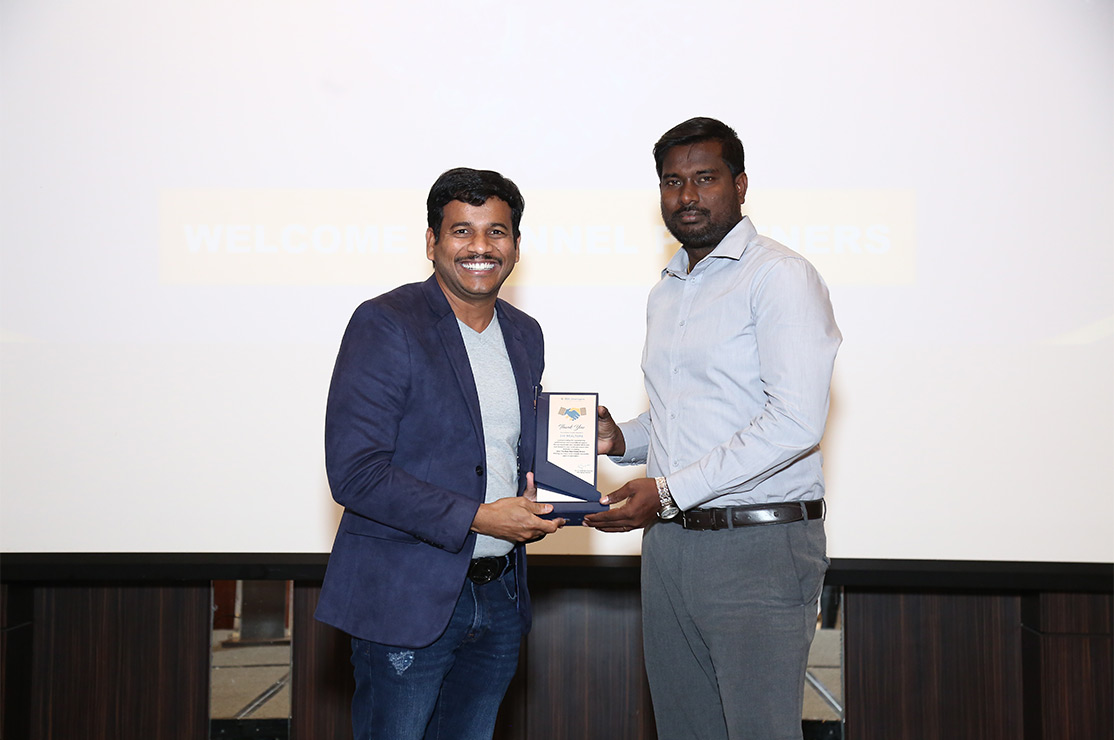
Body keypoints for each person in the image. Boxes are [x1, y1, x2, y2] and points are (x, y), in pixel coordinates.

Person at [584, 117, 841, 740]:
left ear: (740, 184)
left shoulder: (779, 276)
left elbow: (794, 421)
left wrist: (668, 491)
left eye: (705, 178)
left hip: (757, 546)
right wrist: (623, 439)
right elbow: (688, 412)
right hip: (669, 547)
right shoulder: (668, 288)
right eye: (673, 182)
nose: (688, 196)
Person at [316, 167, 562, 740]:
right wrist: (478, 516)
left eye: (496, 231)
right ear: (432, 242)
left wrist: (564, 456)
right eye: (461, 231)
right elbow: (356, 473)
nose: (481, 246)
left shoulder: (525, 333)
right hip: (407, 598)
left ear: (516, 245)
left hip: (500, 594)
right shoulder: (386, 322)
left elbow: (503, 451)